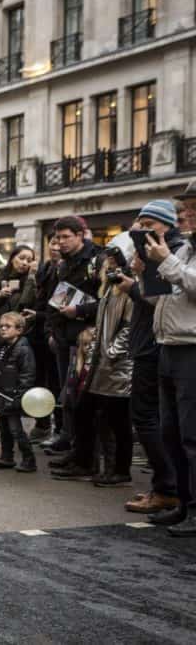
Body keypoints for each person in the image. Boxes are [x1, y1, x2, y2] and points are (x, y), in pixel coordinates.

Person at [119, 202, 185, 514]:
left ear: (168, 225)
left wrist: (140, 279)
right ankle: (167, 487)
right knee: (152, 419)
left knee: (149, 419)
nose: (142, 229)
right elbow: (155, 298)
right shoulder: (155, 251)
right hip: (153, 339)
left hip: (163, 343)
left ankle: (168, 487)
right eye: (139, 222)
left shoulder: (174, 251)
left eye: (150, 222)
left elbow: (170, 298)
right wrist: (138, 278)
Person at [51, 257, 134, 486]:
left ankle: (118, 470)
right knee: (84, 411)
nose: (100, 270)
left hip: (117, 366)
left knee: (116, 421)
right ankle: (84, 461)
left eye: (106, 267)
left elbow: (128, 327)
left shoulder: (126, 292)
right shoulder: (107, 292)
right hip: (102, 364)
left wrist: (110, 351)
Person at [145, 220, 196, 536]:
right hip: (168, 344)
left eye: (192, 207)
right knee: (171, 432)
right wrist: (142, 273)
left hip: (192, 348)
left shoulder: (177, 255)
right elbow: (159, 300)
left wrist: (167, 261)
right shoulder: (185, 249)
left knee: (192, 435)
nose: (185, 215)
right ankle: (183, 502)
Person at [44, 216, 103, 453]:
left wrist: (79, 310)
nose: (61, 242)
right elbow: (55, 300)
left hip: (86, 339)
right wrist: (52, 331)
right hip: (63, 337)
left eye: (66, 237)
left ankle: (82, 448)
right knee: (66, 394)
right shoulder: (63, 264)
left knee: (82, 397)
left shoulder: (97, 260)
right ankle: (69, 439)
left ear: (81, 235)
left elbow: (108, 303)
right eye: (58, 237)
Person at [0, 245, 37, 438]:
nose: (24, 263)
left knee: (9, 382)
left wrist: (31, 280)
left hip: (15, 342)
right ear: (12, 258)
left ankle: (9, 426)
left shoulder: (30, 281)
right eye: (21, 258)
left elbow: (24, 306)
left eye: (29, 260)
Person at [0, 312, 37, 472]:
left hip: (12, 396)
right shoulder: (1, 348)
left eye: (8, 326)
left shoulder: (23, 350)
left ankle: (29, 458)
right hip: (1, 395)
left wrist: (19, 396)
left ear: (19, 330)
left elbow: (27, 375)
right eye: (1, 326)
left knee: (16, 429)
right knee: (4, 428)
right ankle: (7, 456)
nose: (3, 329)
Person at [32, 235, 62, 446]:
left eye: (61, 242)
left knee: (56, 384)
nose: (56, 247)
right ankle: (42, 423)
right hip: (39, 333)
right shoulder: (45, 270)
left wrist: (39, 316)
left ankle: (59, 428)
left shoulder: (65, 270)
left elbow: (58, 306)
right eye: (53, 242)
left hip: (54, 332)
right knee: (40, 380)